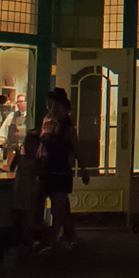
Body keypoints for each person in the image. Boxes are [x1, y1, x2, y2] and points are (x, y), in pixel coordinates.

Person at [38, 88, 79, 249]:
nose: (52, 108)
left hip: (59, 169)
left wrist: (82, 168)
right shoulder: (52, 122)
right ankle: (69, 234)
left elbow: (74, 147)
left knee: (58, 205)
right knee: (61, 205)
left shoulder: (66, 127)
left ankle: (54, 239)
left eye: (56, 105)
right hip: (52, 168)